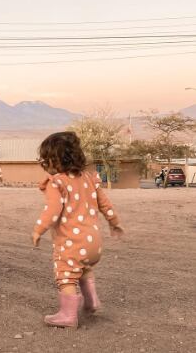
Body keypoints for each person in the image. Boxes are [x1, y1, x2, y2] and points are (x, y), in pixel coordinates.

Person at [31, 131, 124, 328]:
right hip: (94, 243)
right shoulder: (90, 179)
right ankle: (91, 302)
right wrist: (114, 222)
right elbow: (105, 204)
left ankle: (68, 316)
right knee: (84, 269)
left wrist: (39, 229)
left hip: (72, 243)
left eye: (48, 160)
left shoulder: (57, 182)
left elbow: (53, 210)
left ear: (55, 160)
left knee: (66, 274)